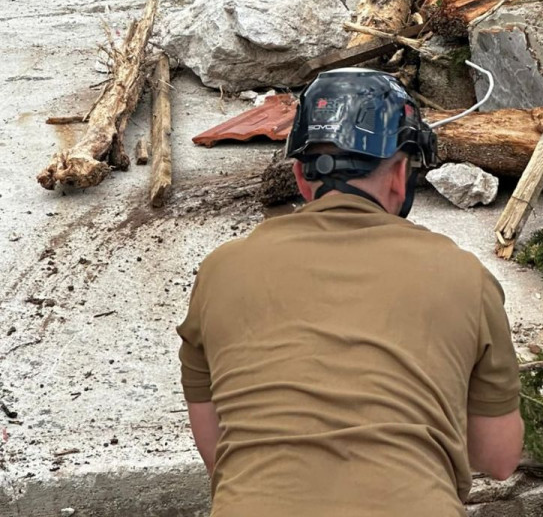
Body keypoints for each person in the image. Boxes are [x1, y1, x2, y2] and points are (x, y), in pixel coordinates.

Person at [177, 68, 524, 517]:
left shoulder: (221, 270)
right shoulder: (465, 277)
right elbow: (497, 459)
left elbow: (218, 457)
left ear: (302, 177)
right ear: (401, 174)